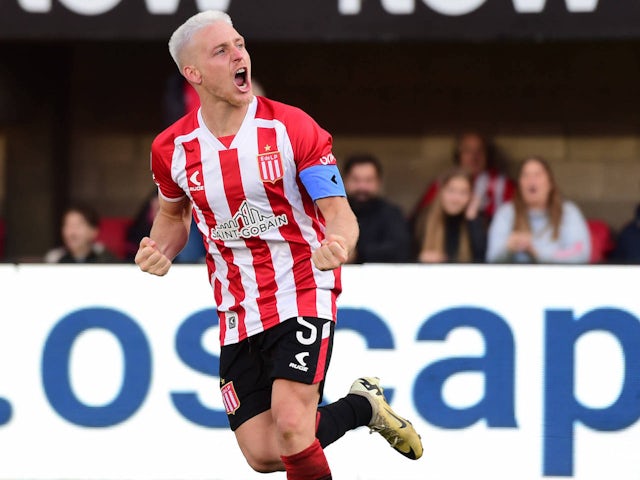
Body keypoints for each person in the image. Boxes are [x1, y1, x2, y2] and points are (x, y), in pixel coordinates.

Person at [135, 11, 422, 480]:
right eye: (221, 50)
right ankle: (361, 407)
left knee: (291, 427)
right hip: (238, 307)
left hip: (303, 287)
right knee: (266, 454)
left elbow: (339, 213)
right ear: (194, 74)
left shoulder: (292, 128)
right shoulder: (172, 148)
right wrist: (160, 249)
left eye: (240, 44)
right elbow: (173, 216)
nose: (239, 55)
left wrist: (340, 244)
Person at [486, 156, 591, 264]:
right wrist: (508, 247)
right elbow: (491, 258)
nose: (531, 180)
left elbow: (580, 255)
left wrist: (537, 252)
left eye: (537, 175)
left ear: (550, 183)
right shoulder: (506, 213)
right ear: (520, 184)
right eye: (525, 175)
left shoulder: (568, 212)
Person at [411, 132, 515, 226]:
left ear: (487, 155)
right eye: (468, 150)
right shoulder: (441, 183)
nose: (474, 157)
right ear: (458, 155)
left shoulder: (504, 185)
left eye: (479, 150)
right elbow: (419, 219)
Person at [342, 154, 411, 263]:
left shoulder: (392, 214)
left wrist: (358, 254)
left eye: (368, 180)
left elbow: (400, 250)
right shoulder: (332, 213)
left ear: (379, 182)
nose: (362, 186)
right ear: (344, 181)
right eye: (355, 180)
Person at [415, 169, 486, 263]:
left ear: (471, 196)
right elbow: (404, 257)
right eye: (451, 191)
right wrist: (420, 259)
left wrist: (472, 219)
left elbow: (482, 259)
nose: (456, 199)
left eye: (463, 193)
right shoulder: (423, 218)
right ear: (441, 192)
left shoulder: (477, 221)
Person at [44, 203, 117, 263]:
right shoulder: (54, 260)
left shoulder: (108, 262)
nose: (72, 232)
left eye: (78, 226)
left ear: (94, 231)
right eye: (67, 225)